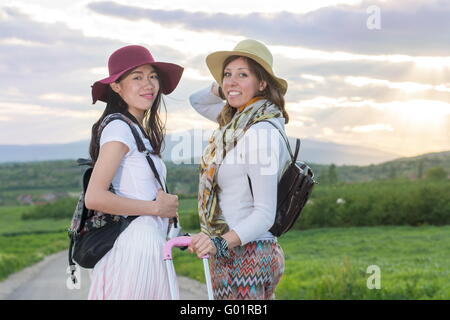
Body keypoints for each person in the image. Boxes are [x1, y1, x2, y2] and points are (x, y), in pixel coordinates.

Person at [188, 39, 290, 300]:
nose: (231, 81)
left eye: (243, 74)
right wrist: (231, 88)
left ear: (263, 83)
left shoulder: (261, 132)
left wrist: (218, 243)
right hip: (232, 252)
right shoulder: (236, 124)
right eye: (227, 74)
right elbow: (196, 101)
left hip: (250, 254)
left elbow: (265, 214)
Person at [84, 45, 183, 300]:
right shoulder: (119, 128)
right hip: (135, 248)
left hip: (150, 244)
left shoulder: (137, 130)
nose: (148, 84)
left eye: (152, 76)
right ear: (117, 86)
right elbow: (94, 197)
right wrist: (157, 209)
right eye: (137, 77)